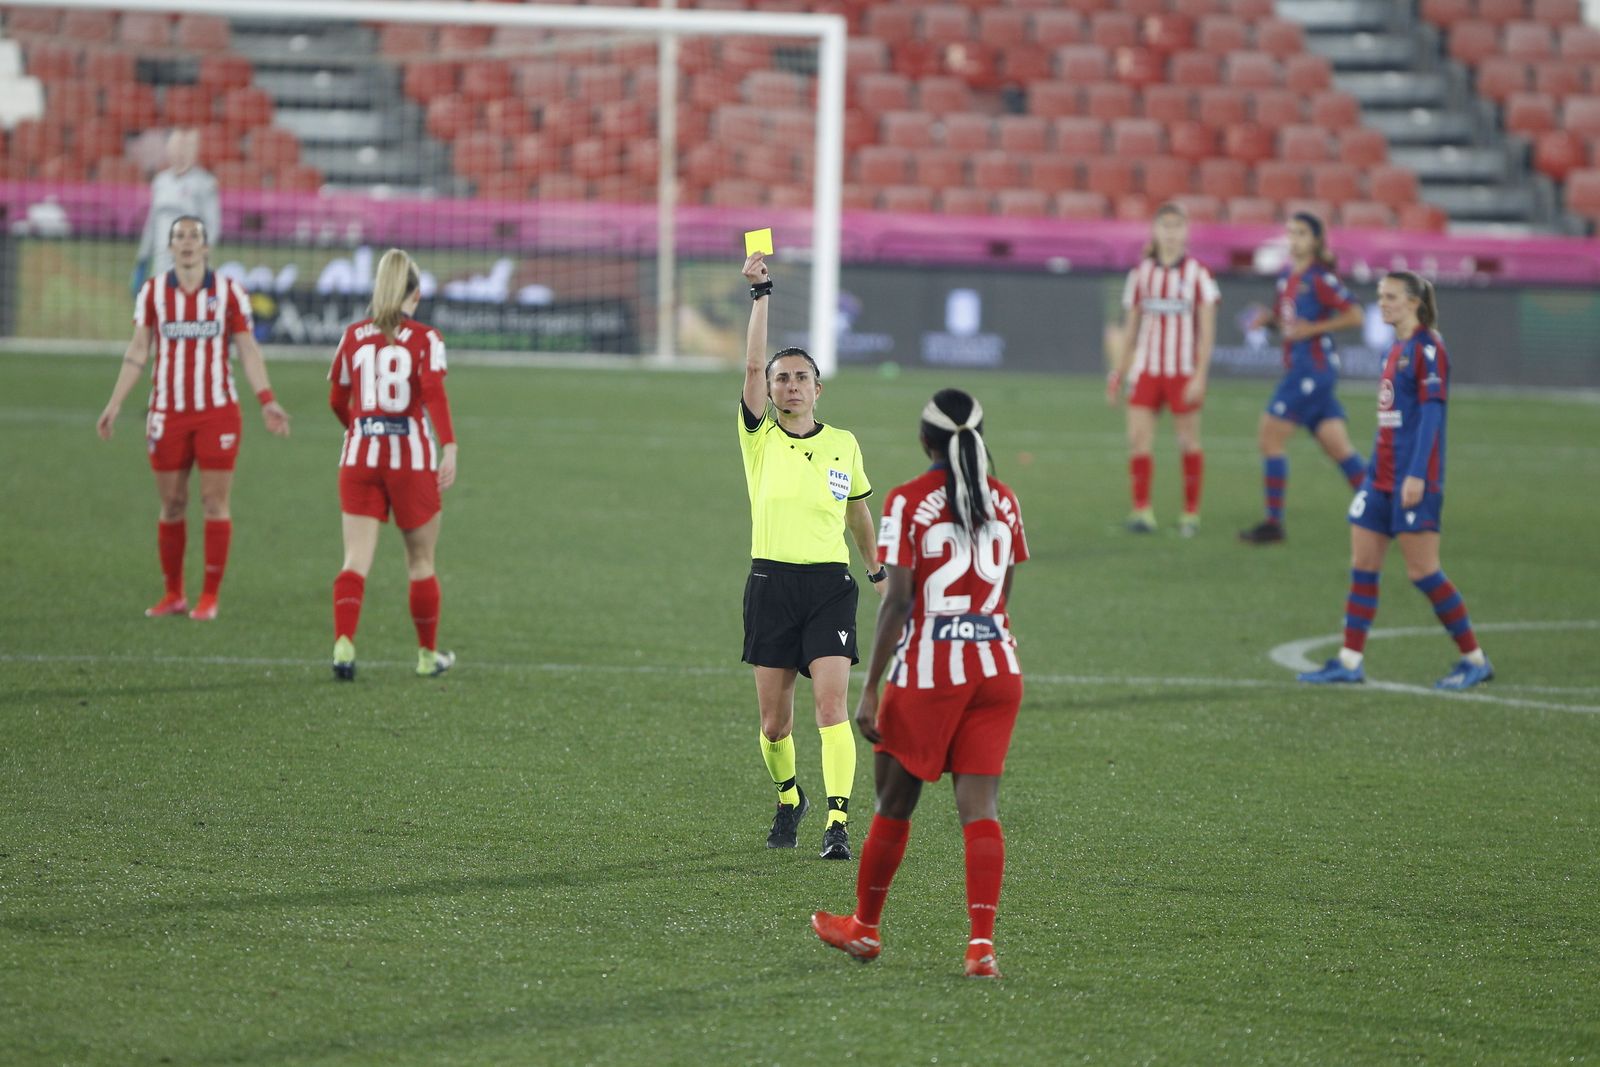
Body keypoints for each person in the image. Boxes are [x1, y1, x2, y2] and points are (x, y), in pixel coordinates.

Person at [811, 388, 1028, 979]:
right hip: (998, 664)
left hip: (931, 668)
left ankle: (865, 928)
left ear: (924, 440)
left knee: (894, 803)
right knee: (980, 808)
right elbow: (1003, 592)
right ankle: (981, 946)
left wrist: (872, 684)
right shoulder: (1004, 500)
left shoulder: (909, 500)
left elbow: (900, 600)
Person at [738, 250, 884, 860]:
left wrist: (876, 570)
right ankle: (790, 796)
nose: (790, 385)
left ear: (818, 388)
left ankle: (838, 821)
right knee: (775, 724)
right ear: (767, 391)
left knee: (832, 707)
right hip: (771, 586)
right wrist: (761, 293)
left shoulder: (844, 444)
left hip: (829, 587)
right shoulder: (760, 437)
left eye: (800, 377)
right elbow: (749, 361)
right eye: (780, 378)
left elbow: (857, 512)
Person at [1298, 272, 1493, 690]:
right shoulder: (1397, 349)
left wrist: (1418, 475)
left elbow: (1432, 415)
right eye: (1381, 296)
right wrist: (1374, 473)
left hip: (1412, 480)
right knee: (1363, 564)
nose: (1381, 303)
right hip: (1380, 479)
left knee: (1424, 572)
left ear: (1414, 303)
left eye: (1390, 297)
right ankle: (1349, 662)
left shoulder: (1427, 348)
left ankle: (1474, 659)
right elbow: (1393, 420)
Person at [97, 215, 290, 620]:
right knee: (172, 504)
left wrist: (267, 399)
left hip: (217, 413)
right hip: (167, 412)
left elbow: (248, 349)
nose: (186, 242)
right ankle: (174, 594)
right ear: (170, 247)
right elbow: (138, 350)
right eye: (179, 236)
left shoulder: (229, 292)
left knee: (214, 501)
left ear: (206, 247)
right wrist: (115, 403)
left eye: (194, 236)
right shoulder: (152, 293)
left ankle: (210, 596)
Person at [327, 248, 458, 681]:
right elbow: (434, 393)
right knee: (421, 561)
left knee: (354, 560)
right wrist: (450, 446)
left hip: (359, 457)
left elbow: (336, 400)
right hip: (411, 460)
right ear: (415, 294)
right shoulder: (427, 338)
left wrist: (361, 429)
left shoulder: (353, 335)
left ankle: (344, 644)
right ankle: (426, 656)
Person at [1239, 212, 1368, 544]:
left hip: (1311, 370)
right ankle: (1386, 512)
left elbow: (1355, 314)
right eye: (1291, 233)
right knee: (1339, 448)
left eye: (1301, 233)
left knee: (1269, 439)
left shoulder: (1320, 279)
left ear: (1315, 241)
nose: (1294, 239)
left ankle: (1273, 524)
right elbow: (1288, 324)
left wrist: (1316, 328)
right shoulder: (1286, 277)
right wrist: (1267, 321)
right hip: (1304, 369)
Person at [1106, 202, 1218, 536]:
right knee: (1138, 439)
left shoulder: (1199, 274)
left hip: (1182, 370)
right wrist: (1118, 373)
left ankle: (1190, 513)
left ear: (1186, 231)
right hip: (1146, 369)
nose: (1171, 233)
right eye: (1165, 226)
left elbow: (1208, 332)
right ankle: (1142, 511)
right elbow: (1131, 330)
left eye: (1177, 226)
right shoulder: (1141, 274)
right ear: (1155, 230)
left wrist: (1200, 374)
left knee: (1188, 440)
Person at [133, 129, 220, 295]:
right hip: (162, 263)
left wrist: (200, 253)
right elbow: (152, 224)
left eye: (183, 148)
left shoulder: (205, 183)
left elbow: (213, 226)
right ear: (168, 150)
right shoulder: (160, 182)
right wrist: (142, 258)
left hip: (192, 264)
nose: (179, 152)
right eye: (175, 147)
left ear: (192, 152)